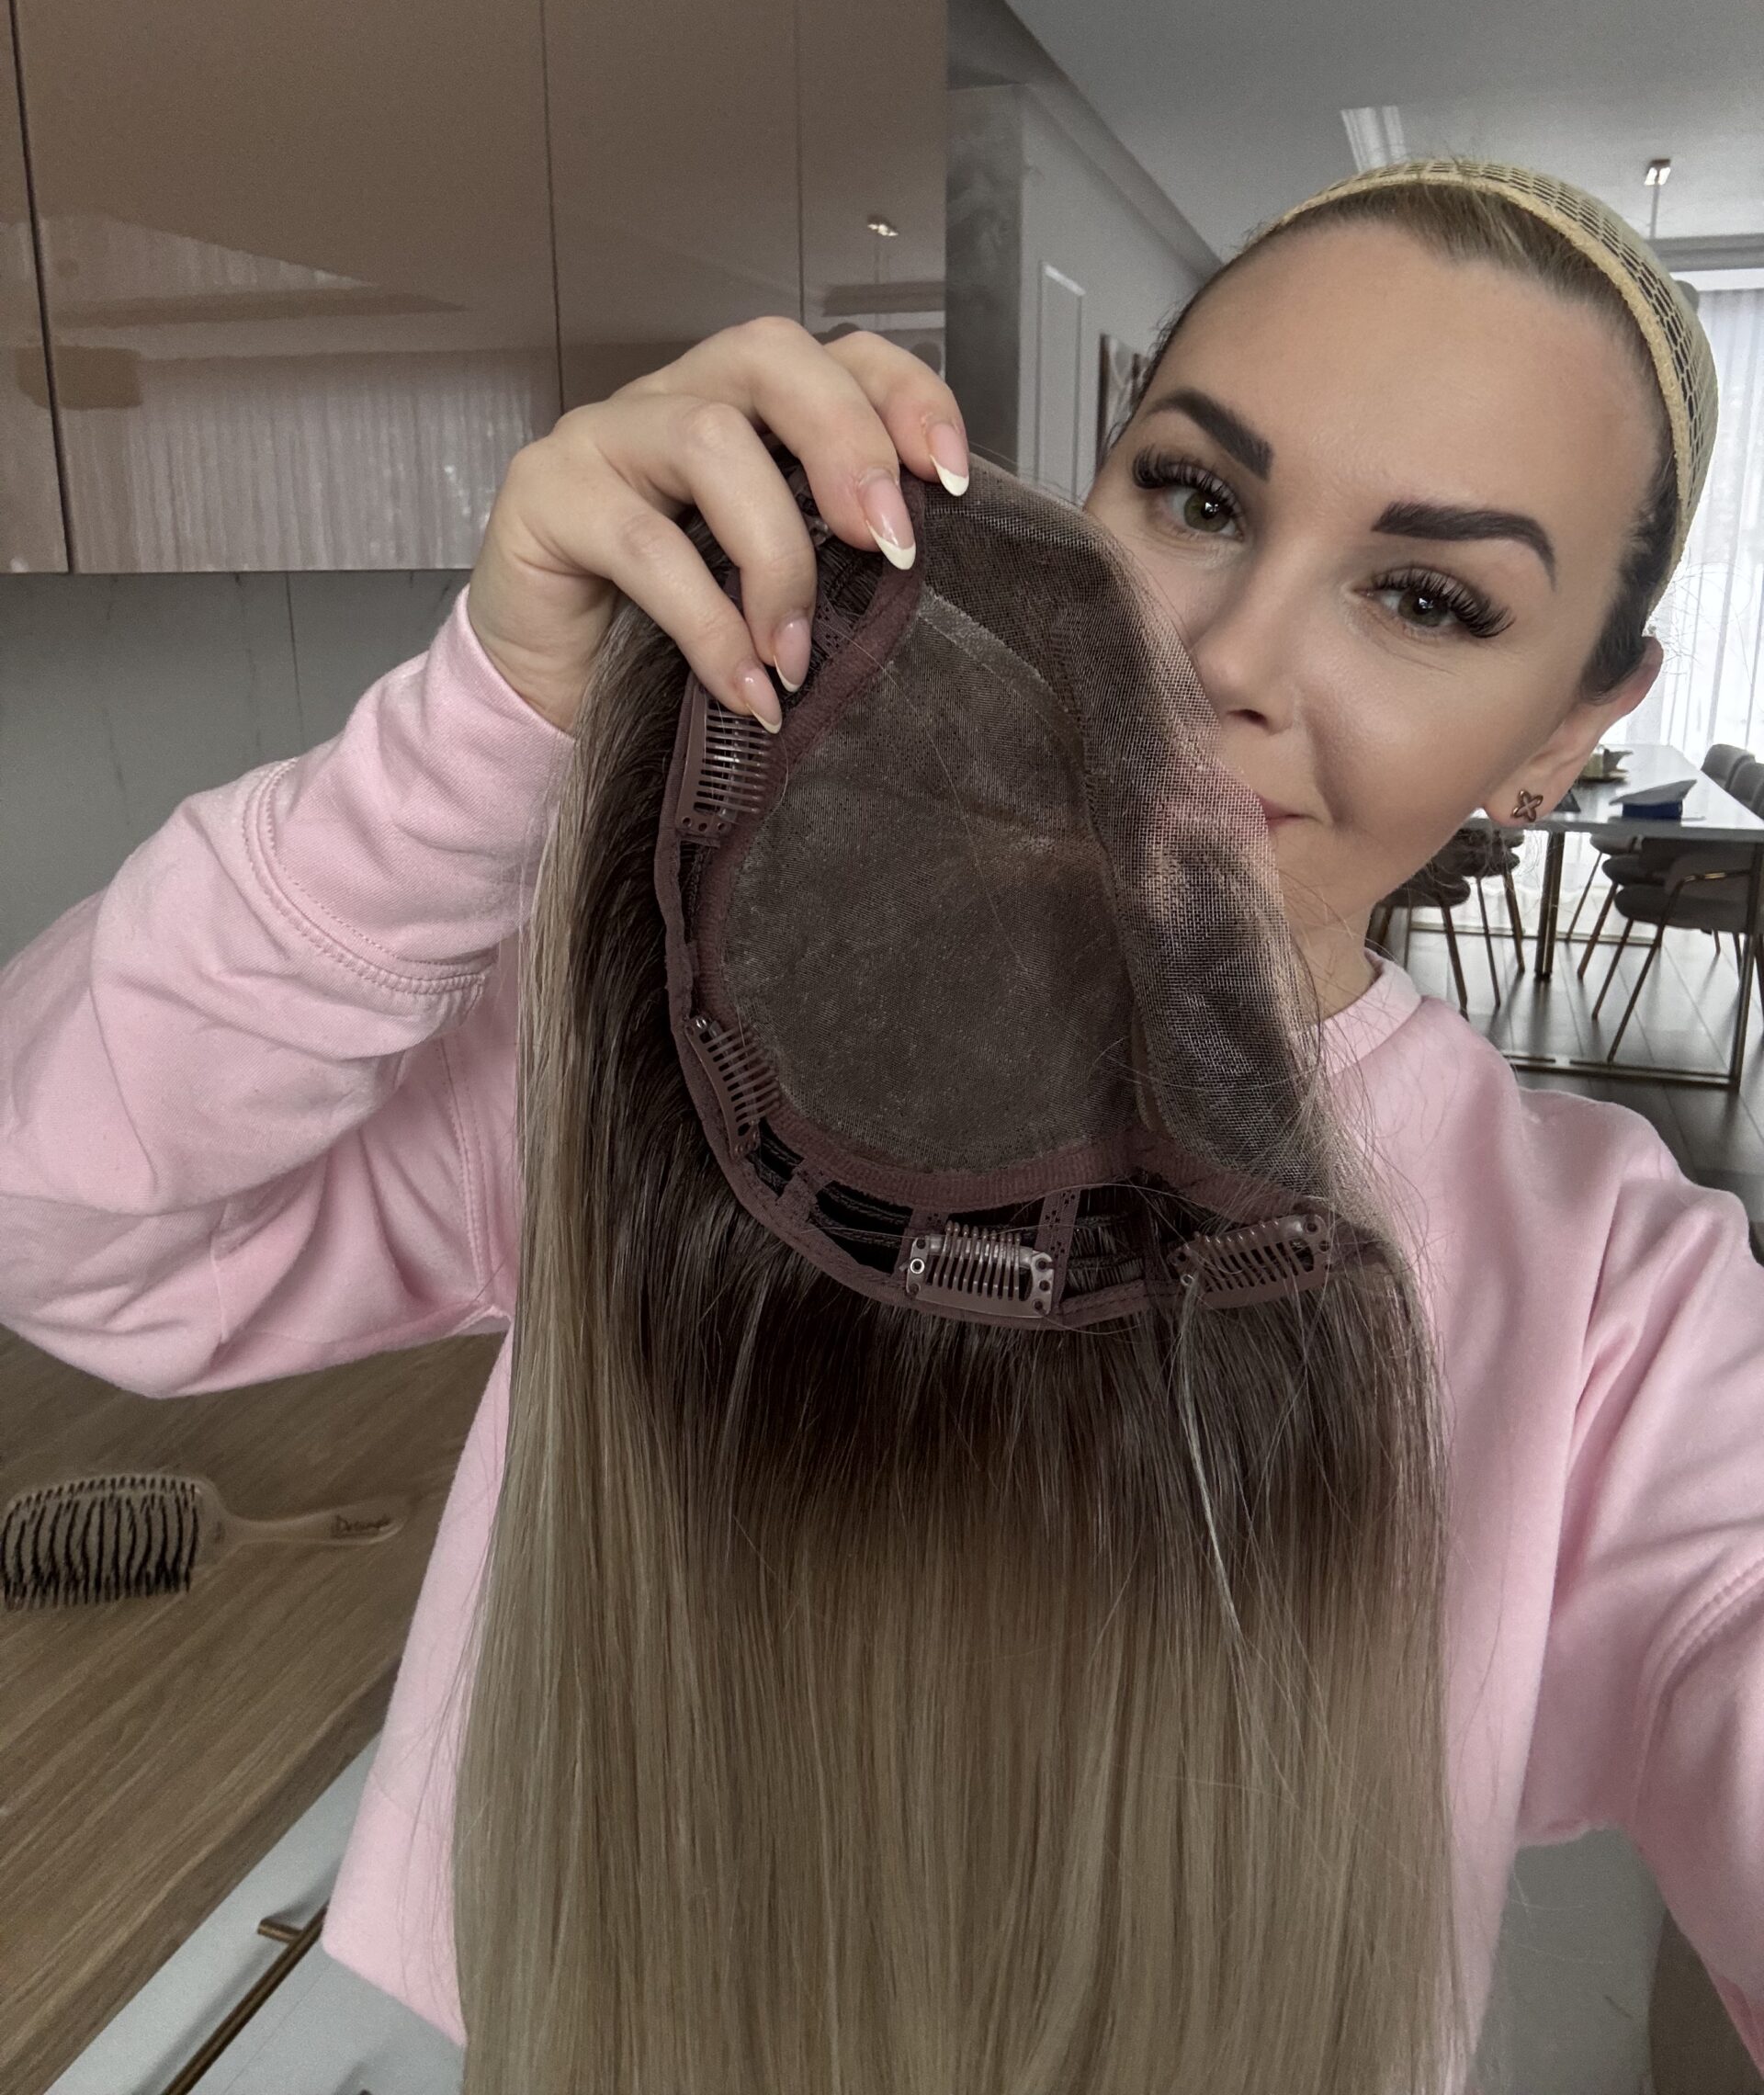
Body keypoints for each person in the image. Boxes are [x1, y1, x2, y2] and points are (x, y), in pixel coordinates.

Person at [3, 159, 1760, 2091]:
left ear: (1569, 725)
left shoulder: (1617, 1306)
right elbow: (63, 1221)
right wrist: (484, 725)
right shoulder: (711, 1003)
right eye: (1196, 496)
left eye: (1427, 597)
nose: (1225, 663)